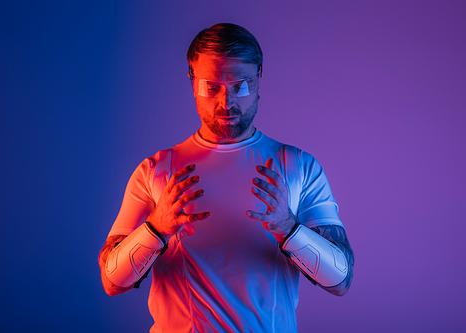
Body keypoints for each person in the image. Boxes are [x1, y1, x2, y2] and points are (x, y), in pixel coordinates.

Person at [99, 23, 354, 333]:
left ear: (259, 78)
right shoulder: (156, 171)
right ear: (192, 80)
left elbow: (341, 280)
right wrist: (157, 228)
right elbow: (112, 281)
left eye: (241, 85)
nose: (227, 103)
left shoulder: (299, 167)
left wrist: (288, 227)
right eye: (212, 87)